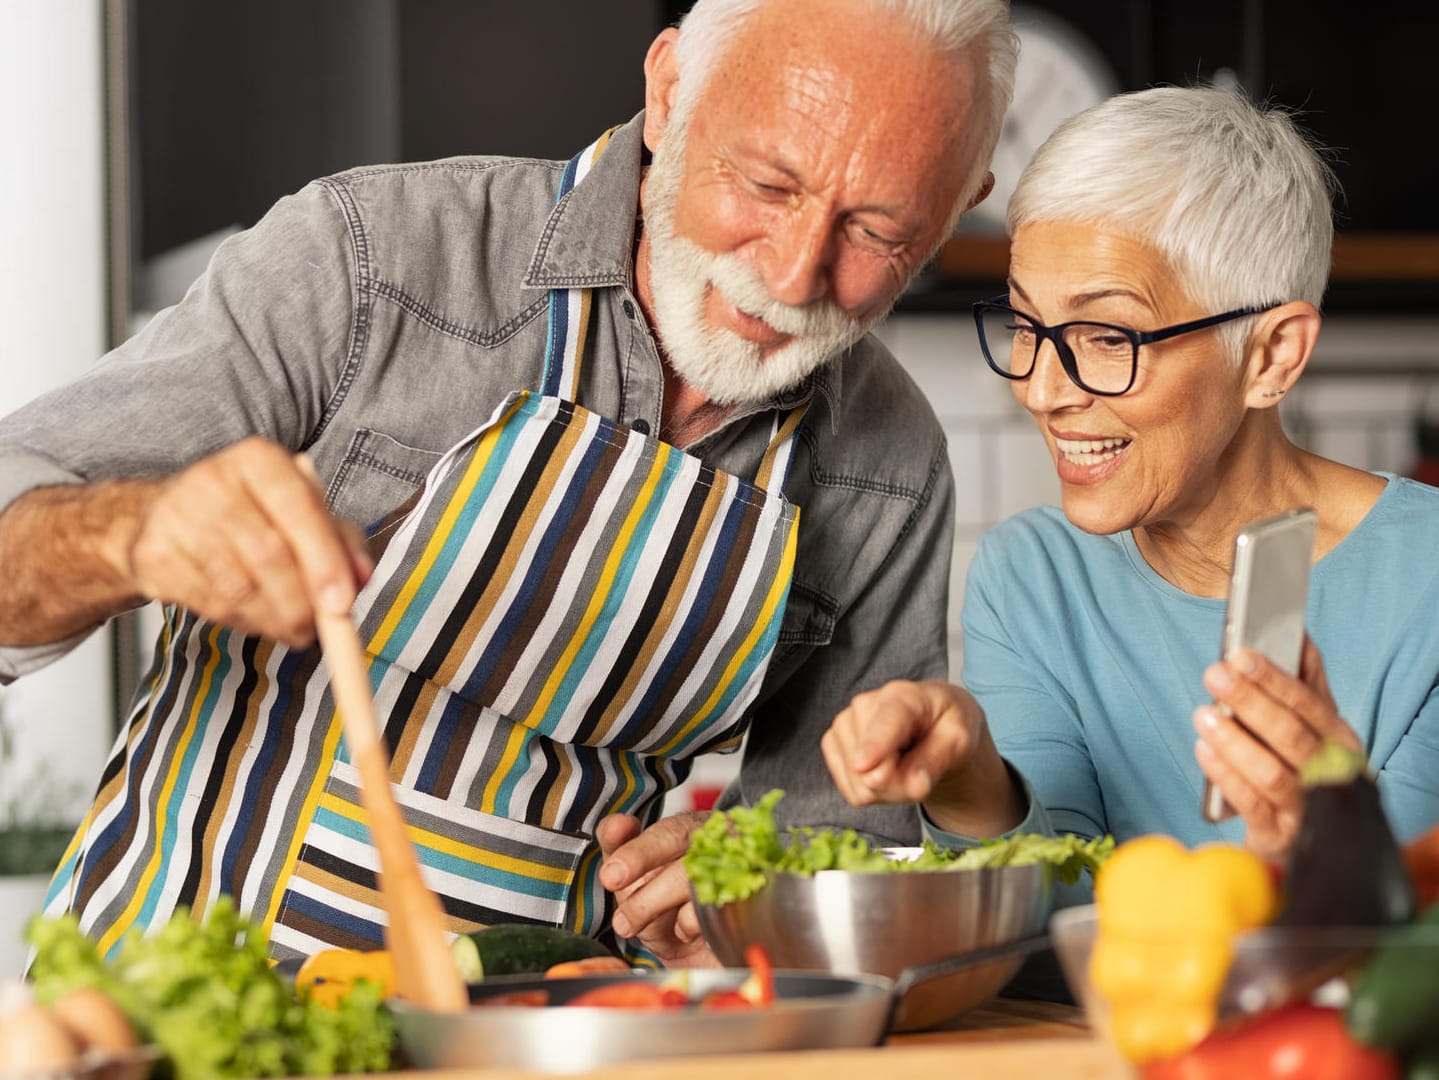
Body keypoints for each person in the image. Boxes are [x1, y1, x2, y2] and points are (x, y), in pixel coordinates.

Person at [0, 0, 1016, 966]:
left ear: (959, 208)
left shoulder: (887, 468)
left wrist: (748, 911)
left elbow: (830, 871)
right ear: (669, 93)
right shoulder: (375, 260)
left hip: (543, 1031)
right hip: (156, 1020)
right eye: (765, 184)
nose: (794, 277)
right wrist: (128, 534)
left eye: (878, 233)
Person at [820, 86, 1439, 1075]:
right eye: (1026, 325)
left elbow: (1413, 982)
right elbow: (1045, 932)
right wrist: (971, 776)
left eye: (1107, 338)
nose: (1041, 385)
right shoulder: (1033, 573)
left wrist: (1330, 831)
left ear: (1272, 355)